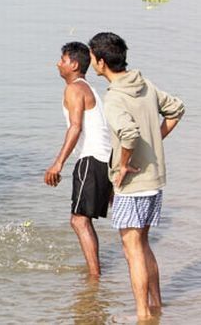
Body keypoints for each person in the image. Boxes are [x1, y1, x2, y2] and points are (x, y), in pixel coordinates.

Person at [89, 32, 184, 320]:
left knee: (132, 250)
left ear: (101, 62)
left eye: (92, 57)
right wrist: (155, 140)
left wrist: (124, 166)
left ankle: (142, 314)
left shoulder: (115, 98)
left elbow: (128, 135)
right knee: (142, 244)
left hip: (133, 184)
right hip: (155, 181)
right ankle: (156, 305)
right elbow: (176, 109)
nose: (92, 62)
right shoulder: (145, 85)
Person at [45, 42, 113, 277]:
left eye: (62, 60)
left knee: (79, 220)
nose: (58, 63)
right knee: (85, 218)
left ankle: (94, 277)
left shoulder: (74, 89)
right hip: (105, 159)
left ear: (73, 64)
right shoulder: (89, 88)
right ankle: (98, 274)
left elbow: (75, 128)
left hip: (91, 159)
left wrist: (58, 163)